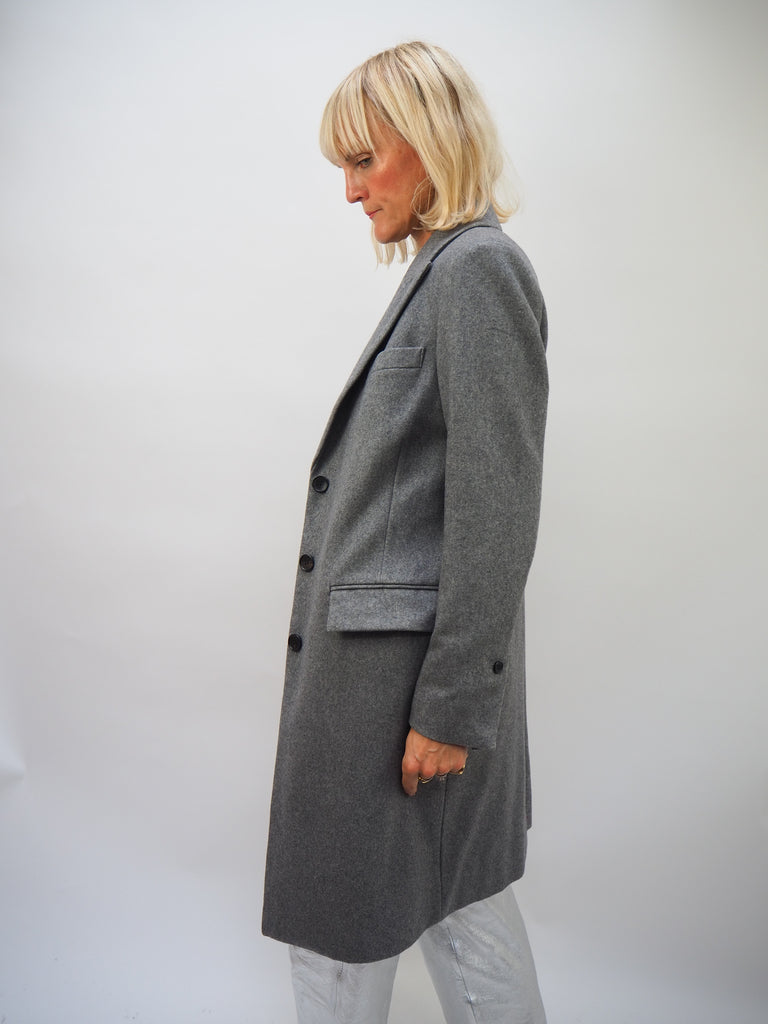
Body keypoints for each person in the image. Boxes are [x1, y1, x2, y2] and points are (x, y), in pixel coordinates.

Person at [262, 41, 549, 1024]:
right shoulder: (445, 268)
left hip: (399, 700)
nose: (350, 190)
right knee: (456, 911)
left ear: (429, 142)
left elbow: (496, 504)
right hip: (389, 691)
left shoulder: (476, 271)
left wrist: (451, 705)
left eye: (363, 159)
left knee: (346, 927)